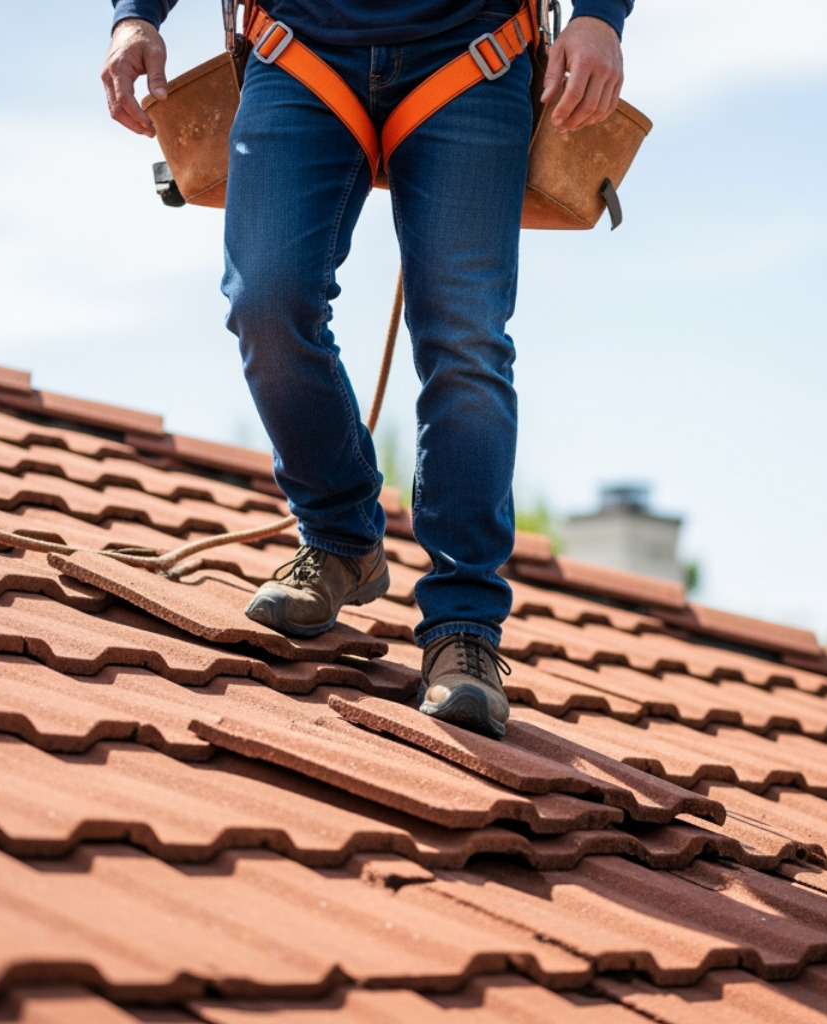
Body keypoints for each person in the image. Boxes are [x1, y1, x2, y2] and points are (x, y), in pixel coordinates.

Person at [101, 0, 629, 739]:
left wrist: (601, 16)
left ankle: (464, 631)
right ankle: (341, 536)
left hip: (472, 50)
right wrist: (137, 16)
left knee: (466, 343)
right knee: (266, 302)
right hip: (299, 47)